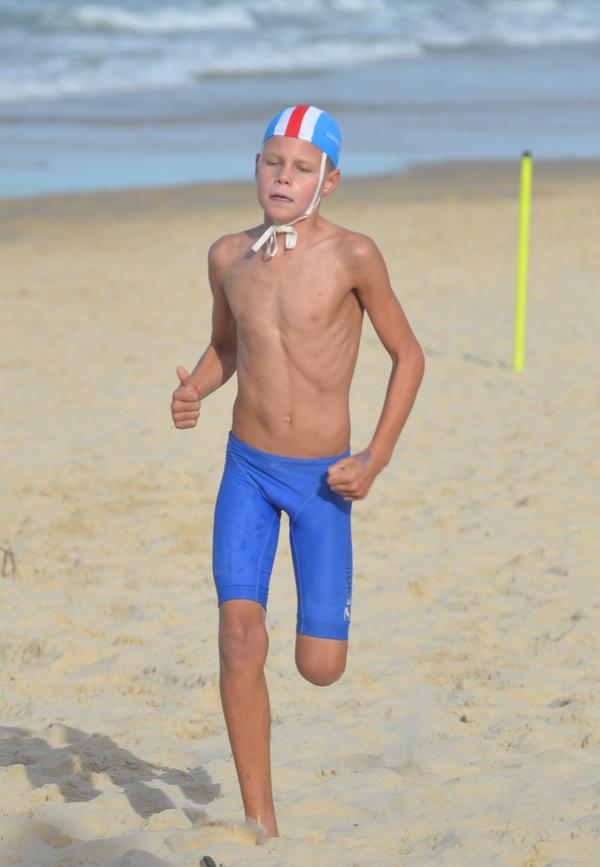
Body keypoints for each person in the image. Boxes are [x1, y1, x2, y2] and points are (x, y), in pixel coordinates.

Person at [170, 104, 425, 842]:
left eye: (302, 167)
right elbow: (226, 348)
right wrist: (195, 389)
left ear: (330, 180)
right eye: (272, 162)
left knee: (319, 666)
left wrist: (375, 455)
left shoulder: (355, 256)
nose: (284, 177)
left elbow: (409, 355)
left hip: (323, 481)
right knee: (239, 637)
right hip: (246, 469)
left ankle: (320, 642)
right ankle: (261, 822)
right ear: (256, 167)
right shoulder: (228, 256)